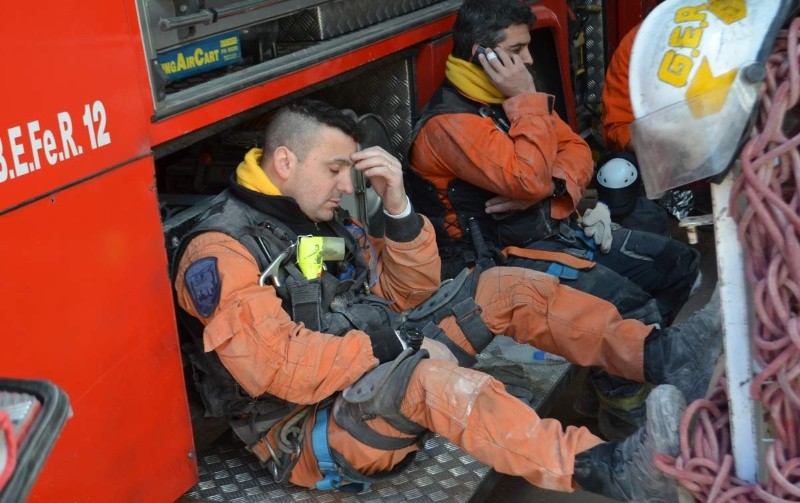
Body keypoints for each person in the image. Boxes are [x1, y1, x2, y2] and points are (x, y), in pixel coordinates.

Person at [172, 99, 722, 502]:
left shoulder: (311, 217)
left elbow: (406, 292)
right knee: (432, 381)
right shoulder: (220, 251)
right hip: (312, 429)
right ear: (285, 162)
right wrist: (400, 345)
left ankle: (664, 355)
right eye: (334, 170)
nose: (344, 186)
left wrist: (398, 207)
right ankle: (611, 469)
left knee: (504, 287)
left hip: (367, 367)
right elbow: (277, 367)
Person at [408, 0, 701, 438]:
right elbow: (526, 178)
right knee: (628, 309)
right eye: (518, 49)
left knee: (679, 265)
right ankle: (628, 428)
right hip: (494, 264)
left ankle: (608, 379)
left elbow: (577, 150)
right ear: (482, 55)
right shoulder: (451, 124)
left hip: (547, 234)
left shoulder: (504, 100)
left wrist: (553, 186)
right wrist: (526, 104)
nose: (529, 59)